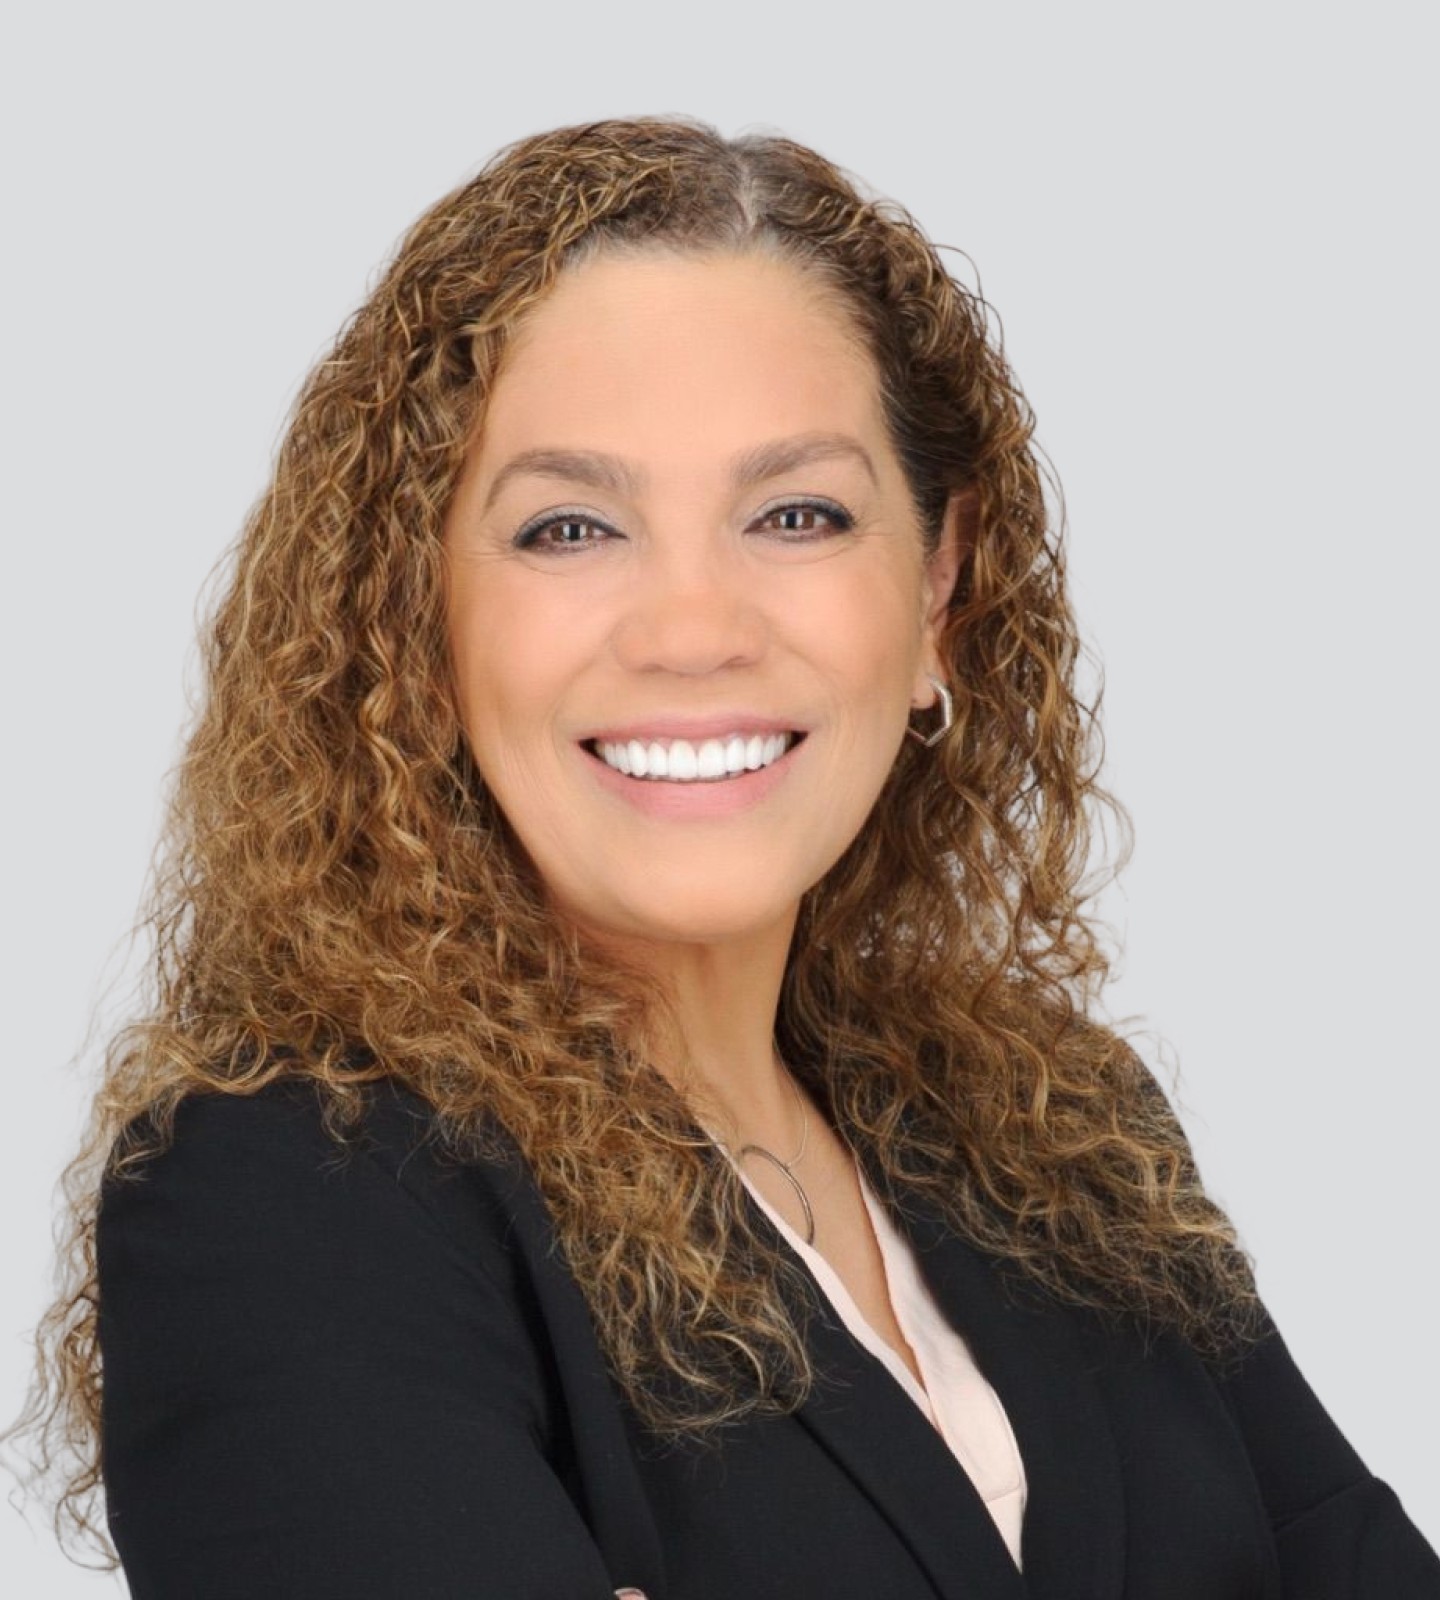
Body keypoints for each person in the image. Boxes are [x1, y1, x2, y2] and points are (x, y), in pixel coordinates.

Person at [17, 116, 1440, 1598]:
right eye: (568, 528)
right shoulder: (290, 1199)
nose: (693, 627)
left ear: (939, 592)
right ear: (415, 622)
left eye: (797, 514)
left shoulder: (1066, 1141)